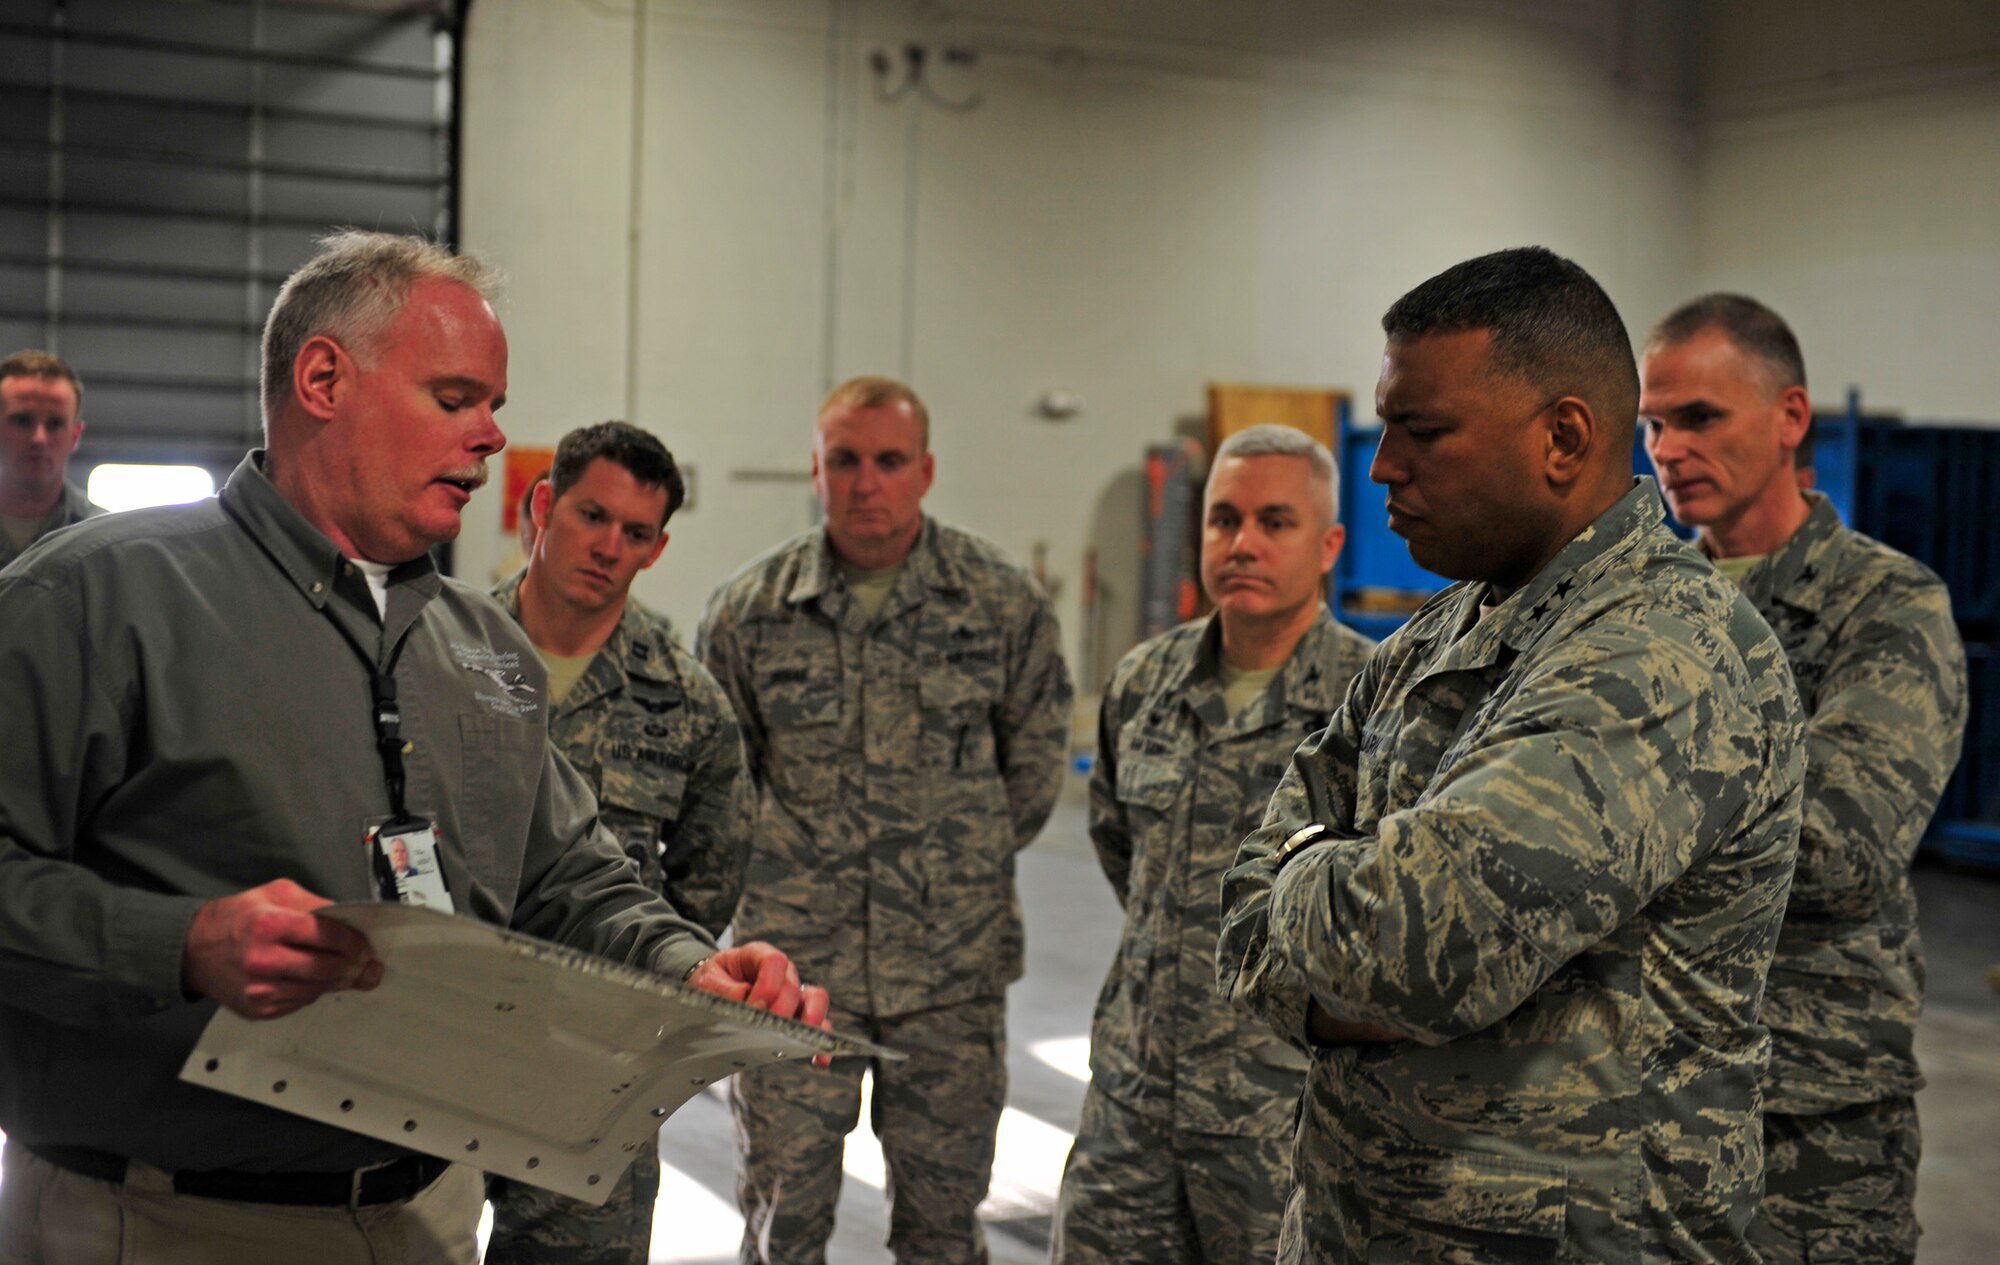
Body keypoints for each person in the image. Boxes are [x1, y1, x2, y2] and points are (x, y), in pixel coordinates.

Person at [0, 231, 826, 1265]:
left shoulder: (480, 647)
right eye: (455, 398)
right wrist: (179, 942)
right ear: (323, 379)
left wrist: (688, 966)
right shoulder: (94, 597)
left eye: (493, 405)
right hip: (163, 1221)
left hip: (425, 1215)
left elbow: (567, 875)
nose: (491, 436)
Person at [1216, 246, 1806, 1262]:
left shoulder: (1663, 649)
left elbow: (1413, 949)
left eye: (1421, 431)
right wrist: (1347, 911)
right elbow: (1236, 921)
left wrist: (1309, 875)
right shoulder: (1432, 638)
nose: (1380, 467)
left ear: (1563, 438)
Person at [698, 375, 1074, 1264]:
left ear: (927, 470)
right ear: (816, 471)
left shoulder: (1000, 603)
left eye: (890, 461)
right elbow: (722, 789)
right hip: (794, 980)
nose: (868, 481)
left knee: (942, 1229)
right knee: (780, 1223)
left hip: (949, 981)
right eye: (846, 460)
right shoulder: (749, 614)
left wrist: (947, 870)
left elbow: (1031, 774)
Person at [1640, 294, 1969, 1265]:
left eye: (1697, 417)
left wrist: (1614, 815)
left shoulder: (1885, 606)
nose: (1665, 448)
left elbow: (1837, 846)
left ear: (1788, 417)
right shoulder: (1644, 605)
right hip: (1640, 1099)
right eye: (1651, 425)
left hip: (1809, 1120)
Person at [1051, 425, 1374, 1264]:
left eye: (1275, 521)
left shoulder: (1375, 703)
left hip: (1282, 1115)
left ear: (1330, 542)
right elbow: (1122, 848)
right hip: (1132, 1097)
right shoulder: (1144, 684)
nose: (1244, 543)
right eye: (1224, 520)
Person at [487, 420, 753, 1264]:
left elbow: (704, 888)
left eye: (635, 533)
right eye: (591, 515)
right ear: (541, 506)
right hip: (438, 1031)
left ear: (658, 549)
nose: (607, 546)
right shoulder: (442, 652)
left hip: (593, 1068)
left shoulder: (688, 704)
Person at [0, 348, 104, 568]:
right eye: (22, 421)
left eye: (55, 424)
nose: (39, 438)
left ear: (74, 436)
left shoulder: (105, 539)